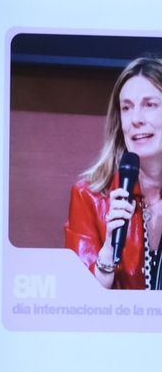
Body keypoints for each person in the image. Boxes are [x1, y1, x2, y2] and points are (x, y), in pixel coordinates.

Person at [64, 56, 162, 289]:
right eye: (126, 108)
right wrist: (108, 252)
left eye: (150, 105)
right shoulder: (90, 197)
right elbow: (76, 299)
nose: (136, 120)